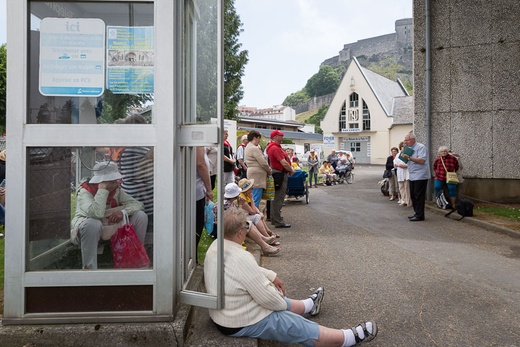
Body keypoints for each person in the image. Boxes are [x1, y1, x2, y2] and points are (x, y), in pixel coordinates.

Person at [204, 208, 378, 347]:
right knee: (292, 323)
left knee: (280, 305)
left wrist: (271, 276)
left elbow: (245, 273)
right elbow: (269, 299)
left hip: (226, 314)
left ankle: (309, 305)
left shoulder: (216, 246)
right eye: (246, 227)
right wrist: (280, 302)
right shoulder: (241, 257)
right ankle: (346, 338)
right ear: (240, 233)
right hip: (237, 320)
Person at [70, 162, 148, 269]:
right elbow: (97, 213)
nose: (114, 184)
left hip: (110, 229)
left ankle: (137, 259)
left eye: (114, 181)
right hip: (88, 232)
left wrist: (123, 212)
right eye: (109, 182)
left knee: (140, 216)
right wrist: (102, 190)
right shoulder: (85, 192)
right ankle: (90, 269)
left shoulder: (116, 191)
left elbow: (138, 204)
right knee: (93, 223)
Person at [218, 183, 280, 256]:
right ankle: (265, 244)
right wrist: (241, 204)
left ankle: (264, 240)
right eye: (251, 188)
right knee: (247, 223)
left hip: (225, 225)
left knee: (250, 221)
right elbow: (237, 219)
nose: (252, 190)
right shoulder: (227, 204)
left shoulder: (228, 202)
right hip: (223, 228)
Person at [119, 114, 154, 220]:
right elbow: (138, 177)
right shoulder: (136, 149)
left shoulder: (127, 148)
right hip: (142, 199)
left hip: (132, 195)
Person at [266, 130, 295, 228]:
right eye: (280, 135)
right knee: (279, 197)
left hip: (278, 173)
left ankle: (275, 218)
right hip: (279, 174)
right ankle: (278, 221)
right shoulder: (275, 148)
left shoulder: (273, 147)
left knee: (276, 197)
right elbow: (283, 162)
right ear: (275, 137)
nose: (282, 137)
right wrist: (291, 170)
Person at [401, 133, 431, 221]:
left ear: (413, 139)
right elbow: (405, 160)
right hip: (412, 175)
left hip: (421, 175)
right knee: (413, 195)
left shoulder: (421, 147)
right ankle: (416, 213)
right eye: (405, 140)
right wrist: (403, 154)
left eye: (407, 140)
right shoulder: (408, 148)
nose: (406, 142)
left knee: (419, 196)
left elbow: (422, 160)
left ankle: (420, 215)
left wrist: (409, 158)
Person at [244, 130, 272, 208]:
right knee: (256, 197)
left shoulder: (248, 146)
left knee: (253, 195)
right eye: (259, 138)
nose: (259, 141)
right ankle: (254, 214)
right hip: (257, 176)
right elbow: (263, 162)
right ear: (255, 138)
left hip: (252, 173)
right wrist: (269, 170)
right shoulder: (254, 148)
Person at [195, 146, 214, 259]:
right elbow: (200, 164)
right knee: (196, 226)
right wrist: (209, 189)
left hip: (193, 190)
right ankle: (192, 257)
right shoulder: (197, 143)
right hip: (195, 193)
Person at [393, 142, 412, 207]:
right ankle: (403, 200)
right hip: (400, 172)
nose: (403, 148)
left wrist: (405, 165)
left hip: (406, 172)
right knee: (401, 187)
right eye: (402, 147)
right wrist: (398, 165)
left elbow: (411, 164)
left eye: (405, 147)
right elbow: (395, 163)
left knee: (407, 188)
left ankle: (408, 201)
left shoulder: (409, 154)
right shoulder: (398, 155)